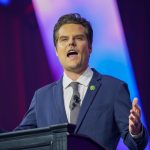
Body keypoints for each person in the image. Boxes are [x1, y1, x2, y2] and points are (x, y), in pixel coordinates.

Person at [15, 13, 148, 149]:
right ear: (56, 50)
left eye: (78, 38)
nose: (71, 43)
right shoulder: (41, 97)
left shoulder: (114, 89)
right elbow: (17, 139)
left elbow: (137, 144)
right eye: (64, 39)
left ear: (90, 47)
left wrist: (136, 131)